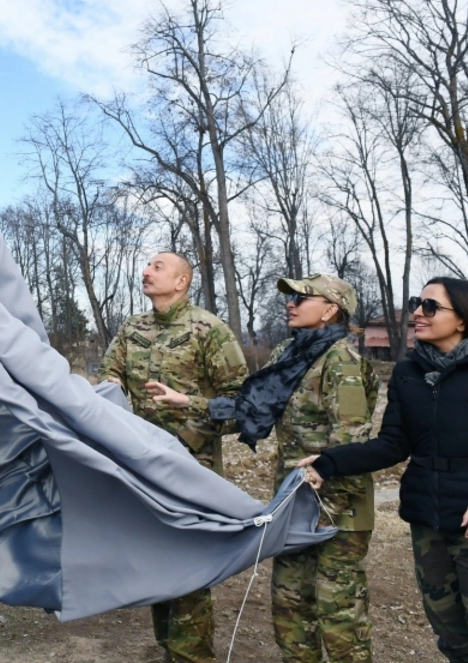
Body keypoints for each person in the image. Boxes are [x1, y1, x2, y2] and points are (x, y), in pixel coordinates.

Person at [301, 277, 468, 663]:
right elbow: (393, 444)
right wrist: (330, 462)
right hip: (429, 526)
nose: (417, 312)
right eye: (418, 302)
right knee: (453, 641)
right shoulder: (409, 372)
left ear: (463, 319)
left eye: (430, 306)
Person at [100, 251, 248, 663]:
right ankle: (168, 650)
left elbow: (243, 405)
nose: (145, 271)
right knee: (155, 562)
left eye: (157, 266)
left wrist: (190, 403)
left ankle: (192, 657)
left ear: (182, 281)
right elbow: (108, 381)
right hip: (141, 469)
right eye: (146, 266)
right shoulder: (132, 329)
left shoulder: (209, 330)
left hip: (191, 470)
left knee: (188, 569)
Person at [231, 274, 379, 662]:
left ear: (330, 310)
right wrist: (188, 403)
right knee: (290, 609)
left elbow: (350, 442)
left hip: (336, 510)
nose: (291, 304)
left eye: (302, 297)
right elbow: (254, 406)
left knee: (339, 617)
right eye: (291, 297)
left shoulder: (341, 360)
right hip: (293, 503)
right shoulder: (289, 354)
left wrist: (326, 508)